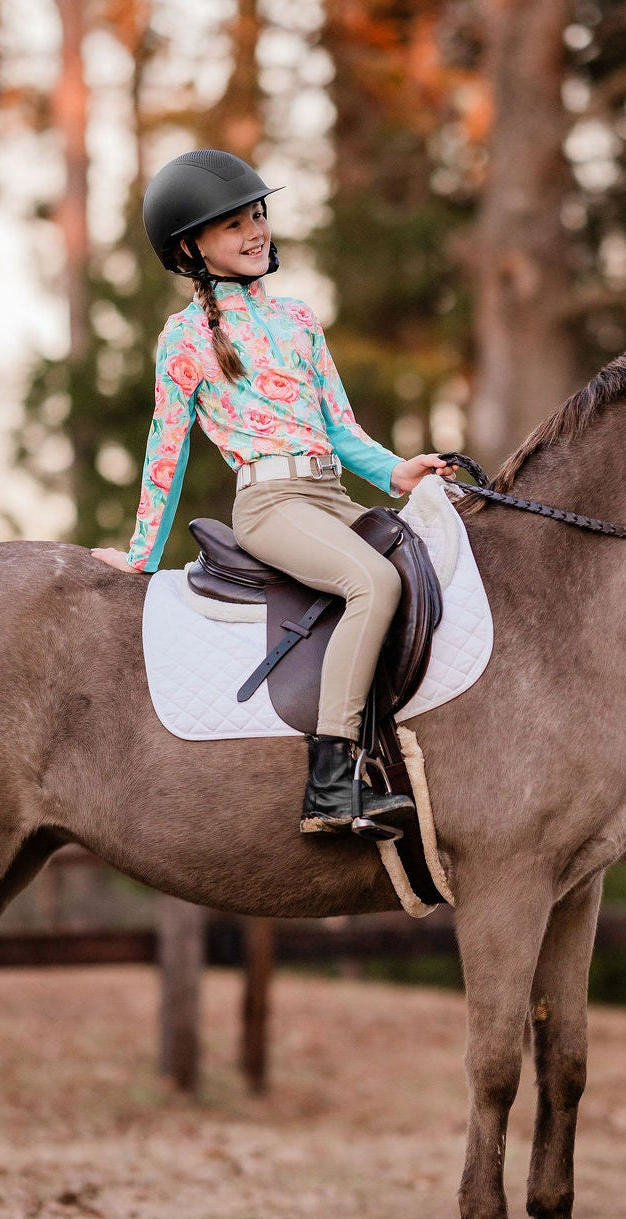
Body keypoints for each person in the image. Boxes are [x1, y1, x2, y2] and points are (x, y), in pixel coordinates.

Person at [89, 148, 456, 836]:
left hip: (330, 496)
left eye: (257, 215)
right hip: (271, 505)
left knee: (426, 567)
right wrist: (141, 553)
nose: (255, 230)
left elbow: (338, 428)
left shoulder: (298, 320)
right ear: (191, 247)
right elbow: (163, 449)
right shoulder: (183, 339)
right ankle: (327, 785)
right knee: (372, 584)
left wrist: (397, 472)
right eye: (233, 225)